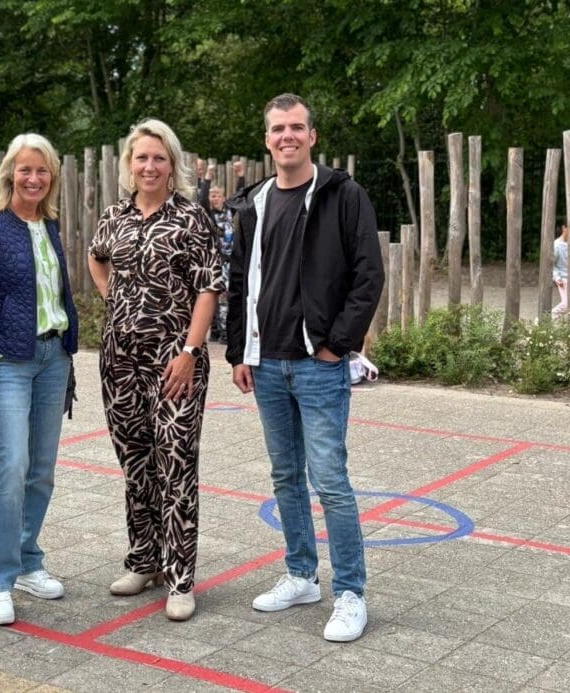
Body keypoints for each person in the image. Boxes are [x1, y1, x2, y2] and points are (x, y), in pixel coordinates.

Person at [226, 93, 384, 643]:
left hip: (319, 365)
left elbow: (368, 274)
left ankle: (351, 592)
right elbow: (242, 282)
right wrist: (239, 352)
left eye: (296, 127)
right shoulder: (255, 203)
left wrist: (337, 345)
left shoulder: (344, 196)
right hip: (267, 363)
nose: (286, 136)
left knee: (330, 480)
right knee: (286, 476)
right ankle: (300, 575)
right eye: (277, 129)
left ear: (312, 136)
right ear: (267, 139)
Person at [88, 119, 223, 622]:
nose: (149, 166)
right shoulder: (115, 216)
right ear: (130, 164)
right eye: (141, 157)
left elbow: (209, 288)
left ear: (172, 165)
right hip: (119, 360)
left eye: (158, 158)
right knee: (136, 464)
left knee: (176, 464)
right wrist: (116, 299)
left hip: (175, 363)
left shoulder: (191, 218)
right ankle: (143, 560)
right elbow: (97, 258)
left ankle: (180, 577)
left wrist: (190, 350)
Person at [0, 134, 79, 626]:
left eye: (42, 170)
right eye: (25, 169)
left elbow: (56, 295)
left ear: (52, 177)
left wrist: (69, 354)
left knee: (41, 469)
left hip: (53, 357)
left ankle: (28, 561)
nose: (33, 178)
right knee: (12, 466)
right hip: (6, 361)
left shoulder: (49, 225)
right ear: (9, 173)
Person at [198, 160, 246, 343]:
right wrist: (207, 178)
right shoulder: (208, 215)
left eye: (217, 195)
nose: (214, 198)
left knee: (226, 296)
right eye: (212, 196)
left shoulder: (230, 212)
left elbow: (241, 195)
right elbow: (202, 199)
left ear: (224, 198)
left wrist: (240, 175)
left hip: (230, 260)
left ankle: (225, 333)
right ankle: (216, 331)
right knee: (212, 295)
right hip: (214, 261)